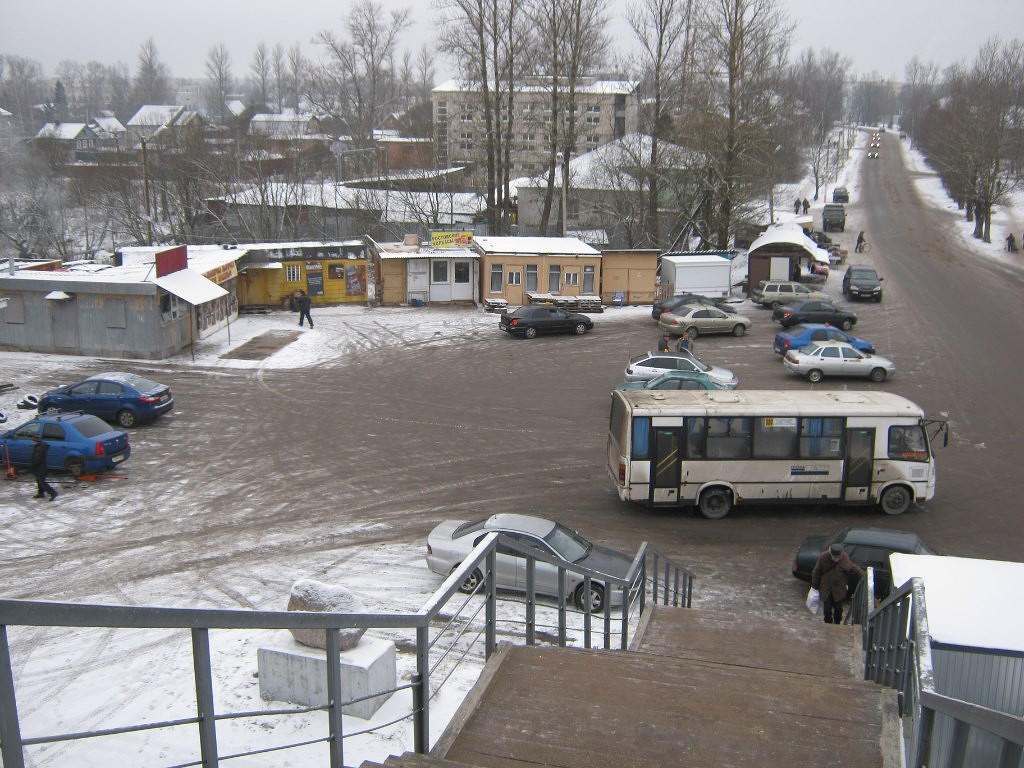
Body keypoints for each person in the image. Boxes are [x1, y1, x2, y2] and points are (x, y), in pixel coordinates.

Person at [811, 543, 864, 624]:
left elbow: (852, 567)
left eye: (838, 557)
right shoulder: (823, 557)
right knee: (827, 610)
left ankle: (837, 624)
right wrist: (815, 585)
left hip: (839, 589)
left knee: (838, 610)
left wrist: (863, 574)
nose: (836, 559)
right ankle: (828, 624)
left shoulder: (844, 557)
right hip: (826, 588)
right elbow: (816, 572)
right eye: (835, 557)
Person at [29, 435, 57, 501]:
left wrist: (32, 466)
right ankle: (41, 493)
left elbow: (37, 459)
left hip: (40, 468)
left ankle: (53, 493)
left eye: (33, 441)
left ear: (37, 441)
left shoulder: (39, 448)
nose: (33, 442)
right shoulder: (40, 446)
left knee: (42, 481)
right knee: (39, 481)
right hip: (41, 467)